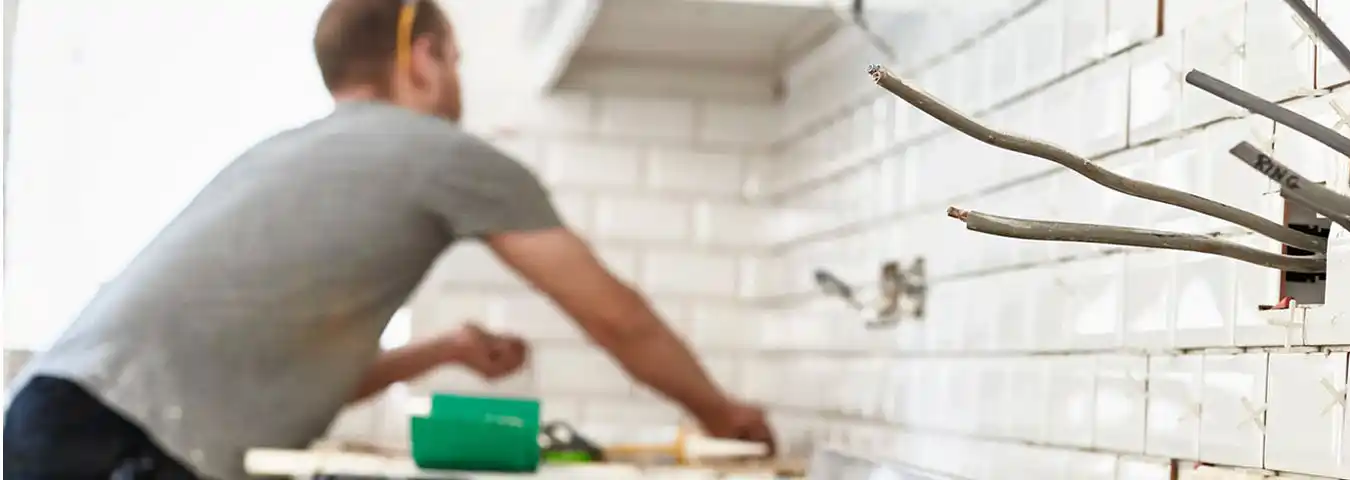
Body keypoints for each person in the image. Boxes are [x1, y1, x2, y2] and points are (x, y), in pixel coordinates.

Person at [1, 0, 773, 478]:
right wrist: (724, 417)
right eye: (458, 59)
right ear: (423, 57)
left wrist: (443, 352)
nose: (459, 80)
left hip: (51, 416)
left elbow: (285, 371)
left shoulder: (286, 151)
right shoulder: (444, 154)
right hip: (122, 446)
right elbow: (615, 315)